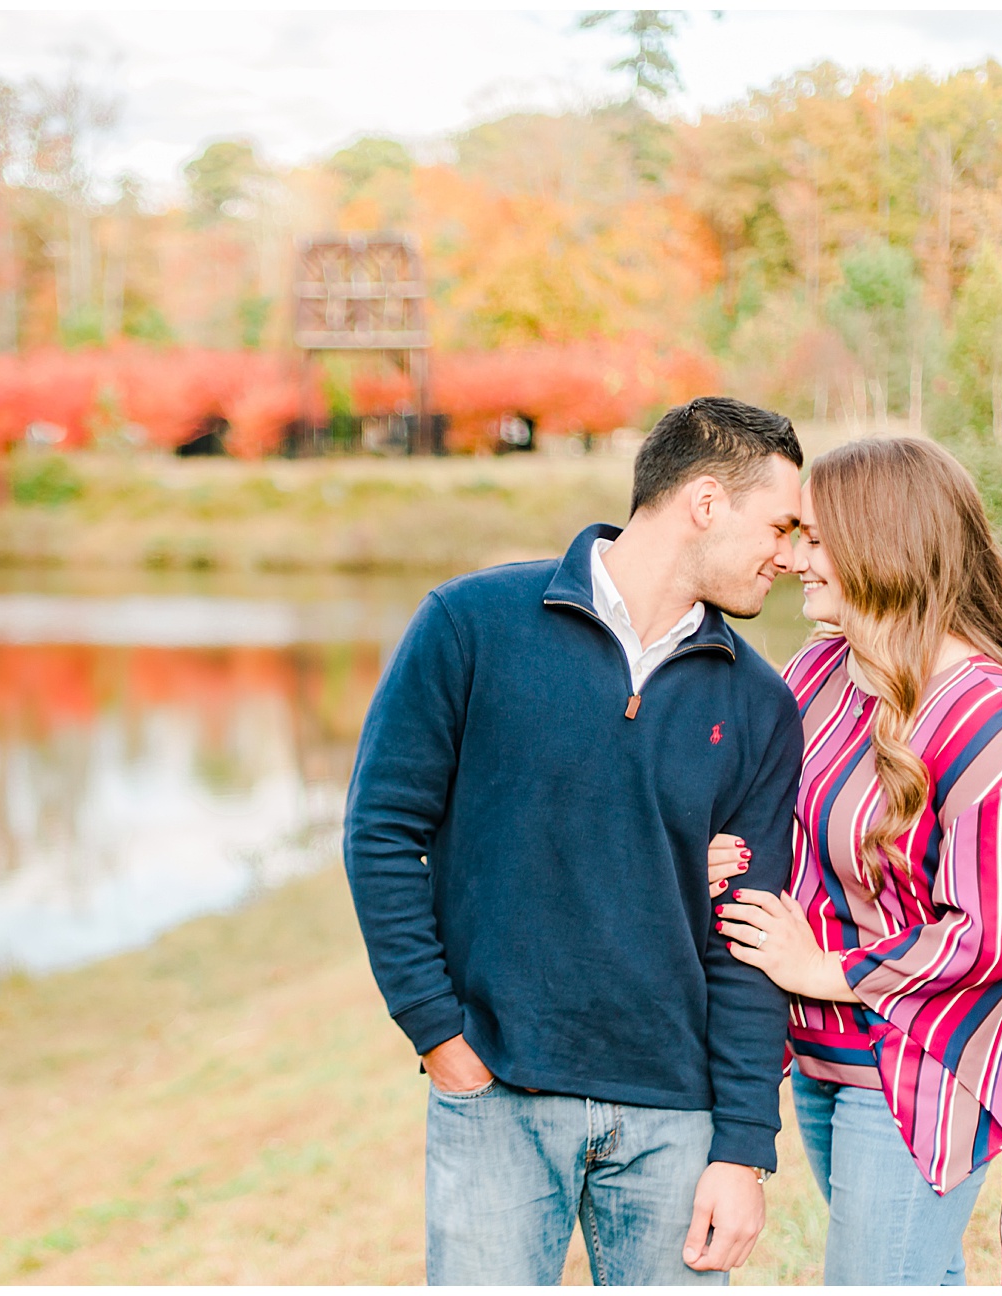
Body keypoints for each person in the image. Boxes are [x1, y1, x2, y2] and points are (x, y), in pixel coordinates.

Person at [344, 397, 806, 1285]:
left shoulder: (758, 705)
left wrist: (743, 1147)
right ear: (705, 502)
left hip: (677, 1123)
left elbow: (751, 939)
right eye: (780, 525)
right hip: (497, 1099)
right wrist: (439, 1034)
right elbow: (381, 832)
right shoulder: (471, 626)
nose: (789, 554)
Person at [707, 436, 1002, 1286]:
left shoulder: (988, 721)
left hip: (919, 1066)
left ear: (882, 542)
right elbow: (768, 814)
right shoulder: (824, 672)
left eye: (817, 538)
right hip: (824, 1058)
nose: (796, 558)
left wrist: (821, 969)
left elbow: (991, 939)